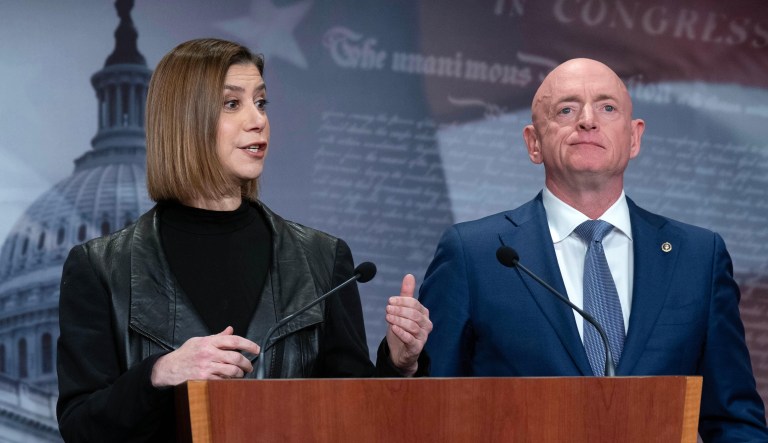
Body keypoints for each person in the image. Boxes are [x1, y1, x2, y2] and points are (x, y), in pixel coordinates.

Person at [57, 38, 432, 442]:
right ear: (183, 119)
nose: (258, 120)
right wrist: (158, 374)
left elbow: (357, 420)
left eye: (261, 102)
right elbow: (80, 427)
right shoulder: (100, 268)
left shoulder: (323, 258)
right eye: (232, 104)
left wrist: (398, 362)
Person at [418, 58, 768, 441]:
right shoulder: (475, 254)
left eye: (607, 108)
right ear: (533, 143)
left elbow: (735, 421)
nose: (587, 120)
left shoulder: (698, 257)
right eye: (566, 109)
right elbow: (430, 409)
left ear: (634, 138)